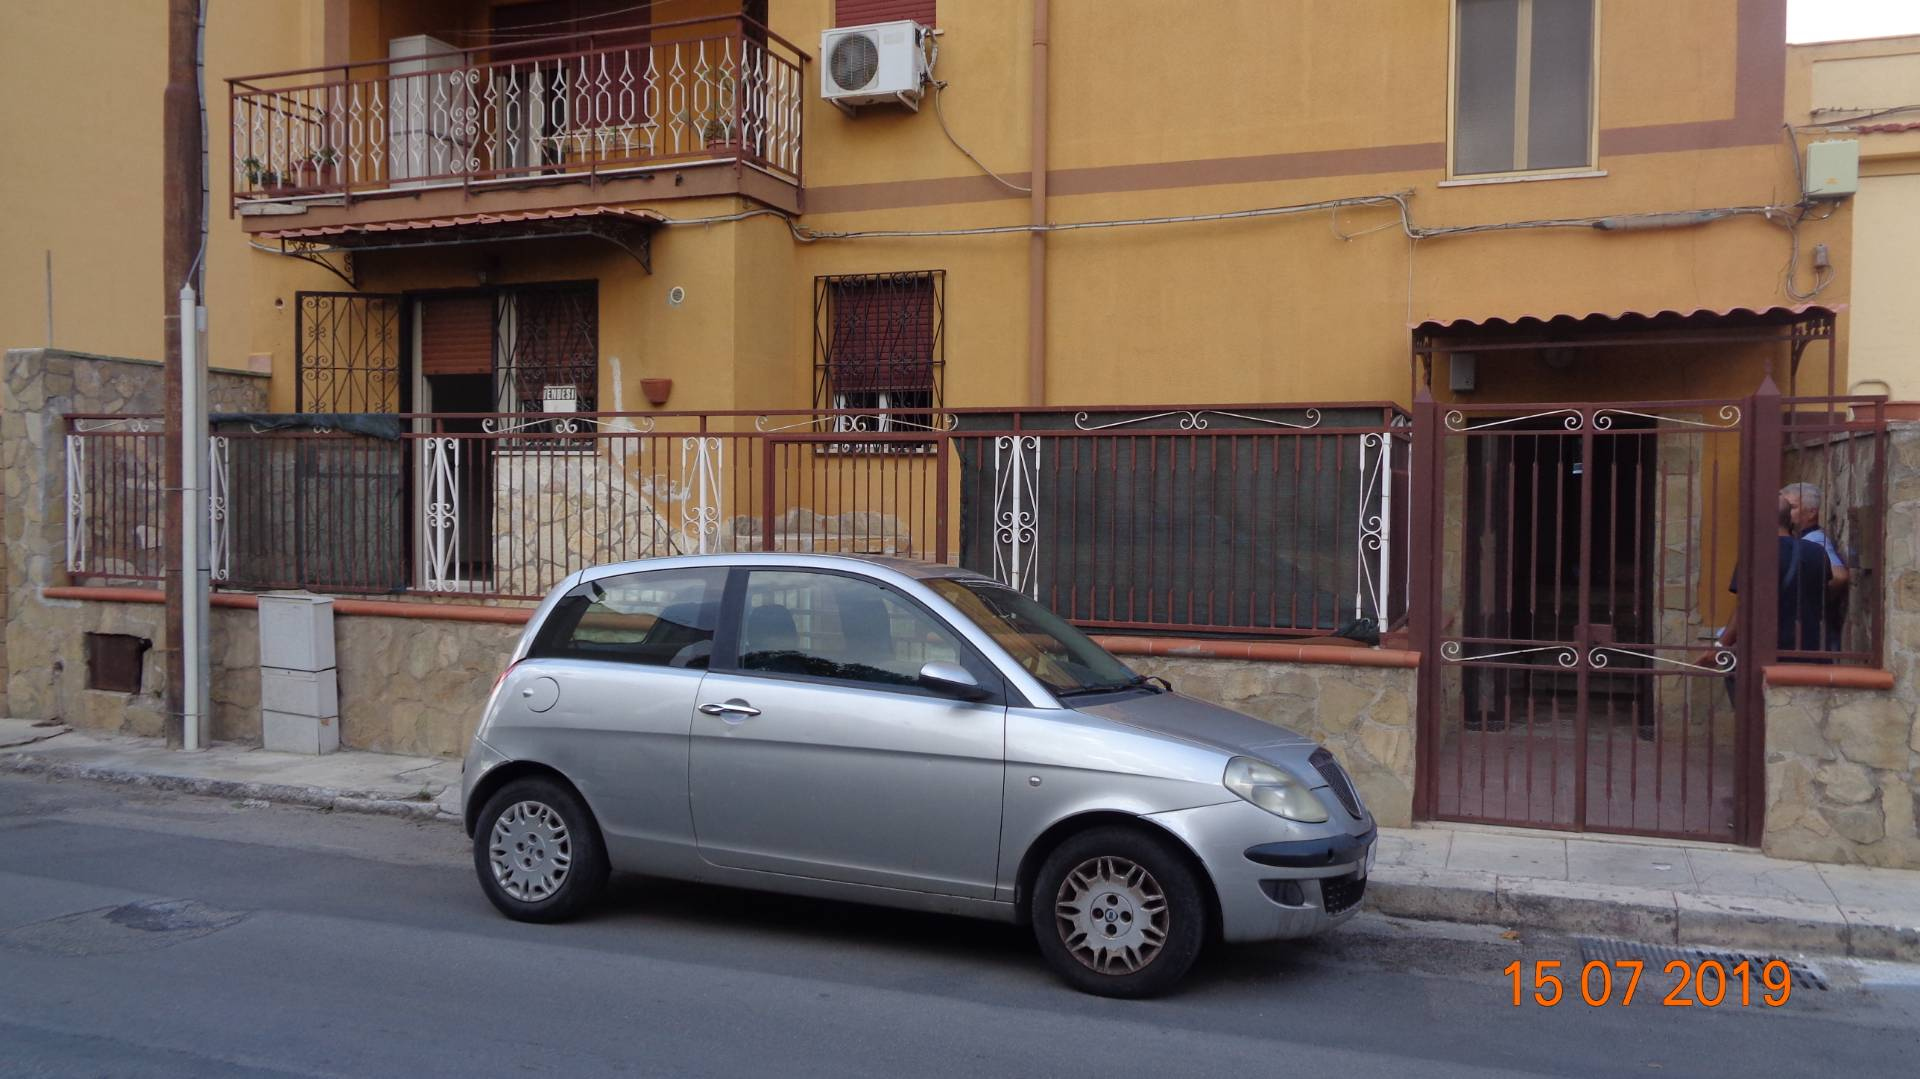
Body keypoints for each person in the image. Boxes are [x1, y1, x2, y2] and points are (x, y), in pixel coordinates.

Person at [1780, 482, 1850, 651]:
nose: (1786, 513)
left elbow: (1840, 577)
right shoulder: (1801, 539)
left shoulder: (1814, 539)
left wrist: (1813, 599)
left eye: (1793, 507)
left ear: (1812, 512)